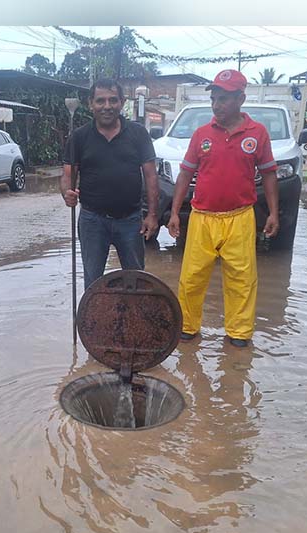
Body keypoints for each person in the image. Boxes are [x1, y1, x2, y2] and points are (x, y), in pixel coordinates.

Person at [167, 69, 280, 348]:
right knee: (191, 277)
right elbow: (184, 175)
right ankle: (188, 326)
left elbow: (269, 174)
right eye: (214, 99)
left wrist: (274, 213)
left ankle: (239, 333)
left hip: (240, 217)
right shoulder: (201, 134)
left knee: (241, 279)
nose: (217, 105)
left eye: (224, 99)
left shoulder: (258, 134)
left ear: (241, 99)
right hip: (202, 217)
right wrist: (173, 213)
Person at [61, 78, 160, 289]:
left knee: (136, 280)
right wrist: (66, 193)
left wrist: (152, 215)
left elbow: (151, 176)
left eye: (113, 100)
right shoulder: (79, 137)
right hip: (92, 221)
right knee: (93, 282)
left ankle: (134, 320)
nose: (107, 106)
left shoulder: (138, 134)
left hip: (130, 220)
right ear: (91, 104)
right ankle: (94, 322)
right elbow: (68, 175)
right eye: (100, 101)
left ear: (122, 102)